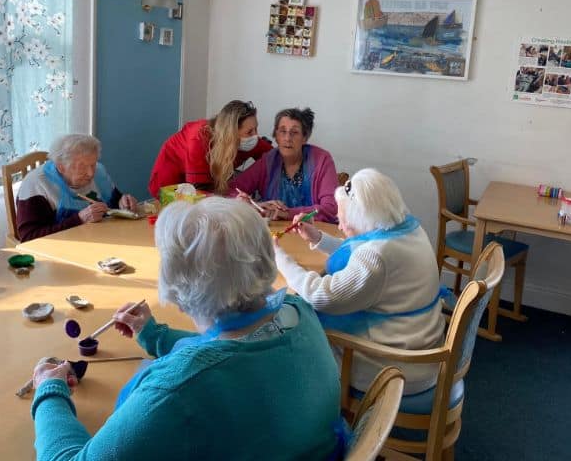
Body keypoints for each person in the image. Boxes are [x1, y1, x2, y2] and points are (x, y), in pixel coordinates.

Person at [30, 197, 344, 460]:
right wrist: (155, 335)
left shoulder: (177, 390)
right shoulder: (296, 309)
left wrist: (50, 390)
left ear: (178, 286)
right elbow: (236, 348)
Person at [274, 168, 445, 396]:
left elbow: (319, 295)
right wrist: (318, 238)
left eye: (343, 221)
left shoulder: (376, 256)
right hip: (420, 344)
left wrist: (279, 257)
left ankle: (314, 403)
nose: (340, 227)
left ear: (363, 220)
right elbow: (361, 250)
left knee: (293, 327)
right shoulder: (407, 229)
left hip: (396, 367)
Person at [16, 134, 139, 242]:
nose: (91, 173)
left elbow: (114, 201)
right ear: (61, 167)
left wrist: (124, 202)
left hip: (100, 238)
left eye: (93, 164)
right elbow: (29, 238)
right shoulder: (36, 185)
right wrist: (79, 219)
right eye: (82, 167)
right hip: (62, 249)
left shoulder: (99, 172)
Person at [230, 107, 339, 223]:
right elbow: (230, 190)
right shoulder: (268, 161)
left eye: (294, 132)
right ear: (275, 136)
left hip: (315, 231)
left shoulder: (322, 160)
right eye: (282, 131)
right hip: (274, 232)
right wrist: (254, 205)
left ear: (304, 138)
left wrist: (287, 213)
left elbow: (331, 208)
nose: (287, 138)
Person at [148, 100, 272, 197]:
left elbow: (275, 157)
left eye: (256, 129)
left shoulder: (250, 139)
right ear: (231, 133)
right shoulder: (199, 139)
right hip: (171, 184)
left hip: (206, 188)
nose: (255, 136)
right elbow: (199, 193)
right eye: (250, 131)